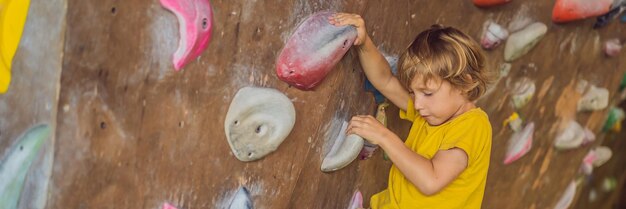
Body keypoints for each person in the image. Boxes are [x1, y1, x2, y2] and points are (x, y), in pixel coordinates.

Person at [330, 13, 497, 209]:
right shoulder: (432, 113)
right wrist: (364, 42)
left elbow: (431, 180)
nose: (417, 104)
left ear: (464, 84)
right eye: (413, 93)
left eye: (427, 93)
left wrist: (384, 136)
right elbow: (385, 81)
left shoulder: (473, 126)